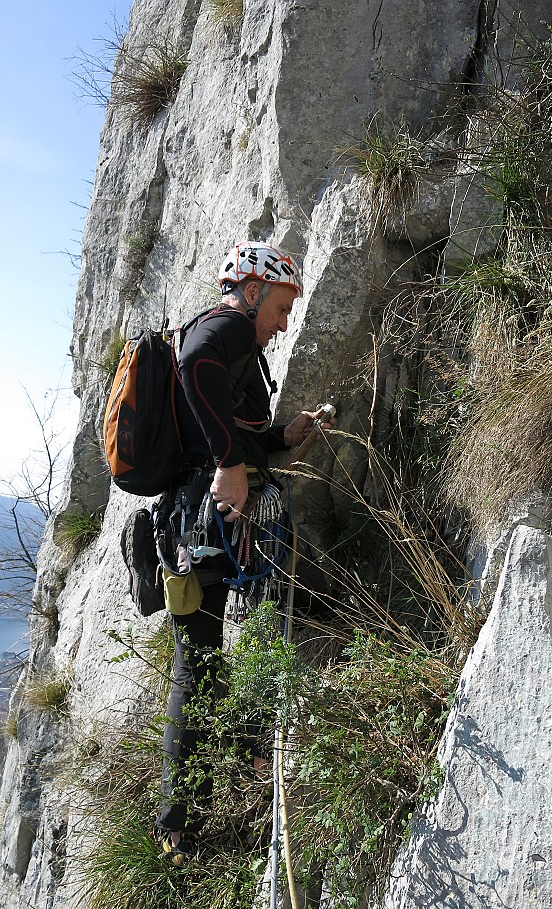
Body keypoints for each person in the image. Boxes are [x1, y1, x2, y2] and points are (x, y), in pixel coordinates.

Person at [156, 240, 333, 864]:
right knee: (202, 659)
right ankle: (183, 819)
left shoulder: (236, 342)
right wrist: (231, 465)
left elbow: (227, 421)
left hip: (199, 526)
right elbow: (197, 363)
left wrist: (281, 437)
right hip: (211, 521)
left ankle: (209, 790)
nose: (284, 323)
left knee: (206, 656)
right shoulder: (223, 327)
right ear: (254, 288)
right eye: (282, 306)